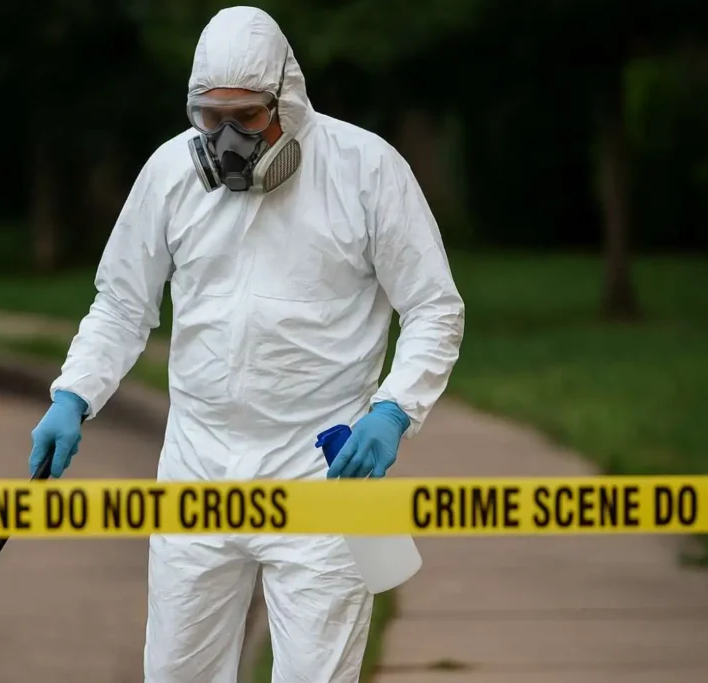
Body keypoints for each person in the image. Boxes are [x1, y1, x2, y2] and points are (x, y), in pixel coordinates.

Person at [28, 6, 465, 682]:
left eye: (249, 117)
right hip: (198, 465)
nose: (228, 138)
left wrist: (393, 410)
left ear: (287, 98)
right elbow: (120, 301)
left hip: (326, 471)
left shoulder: (365, 171)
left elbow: (434, 307)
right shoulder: (171, 174)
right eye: (211, 116)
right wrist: (74, 392)